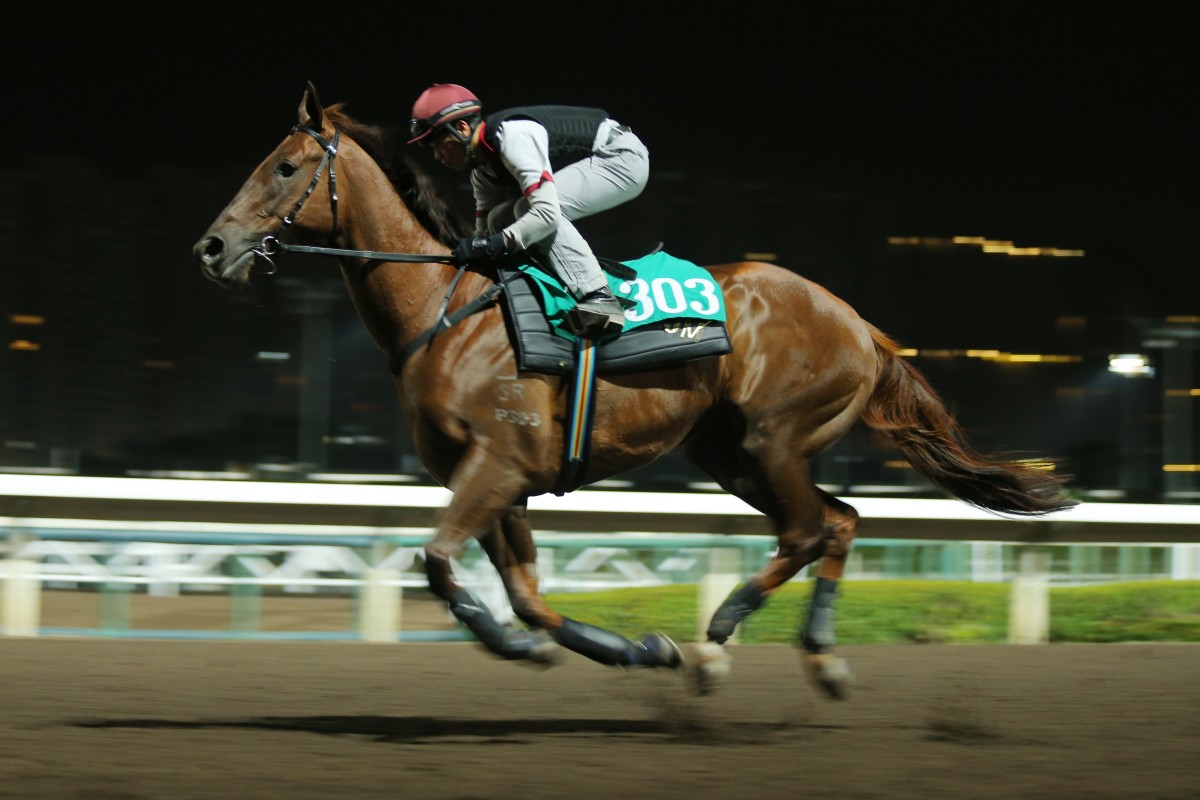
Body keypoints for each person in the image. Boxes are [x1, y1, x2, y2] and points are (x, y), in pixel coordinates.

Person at [407, 83, 650, 339]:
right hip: (601, 159)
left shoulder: (515, 137)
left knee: (529, 210)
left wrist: (493, 244)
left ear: (462, 128)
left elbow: (546, 215)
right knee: (498, 218)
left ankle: (600, 298)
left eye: (438, 144)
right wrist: (475, 251)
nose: (437, 156)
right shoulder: (482, 174)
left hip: (621, 158)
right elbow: (486, 234)